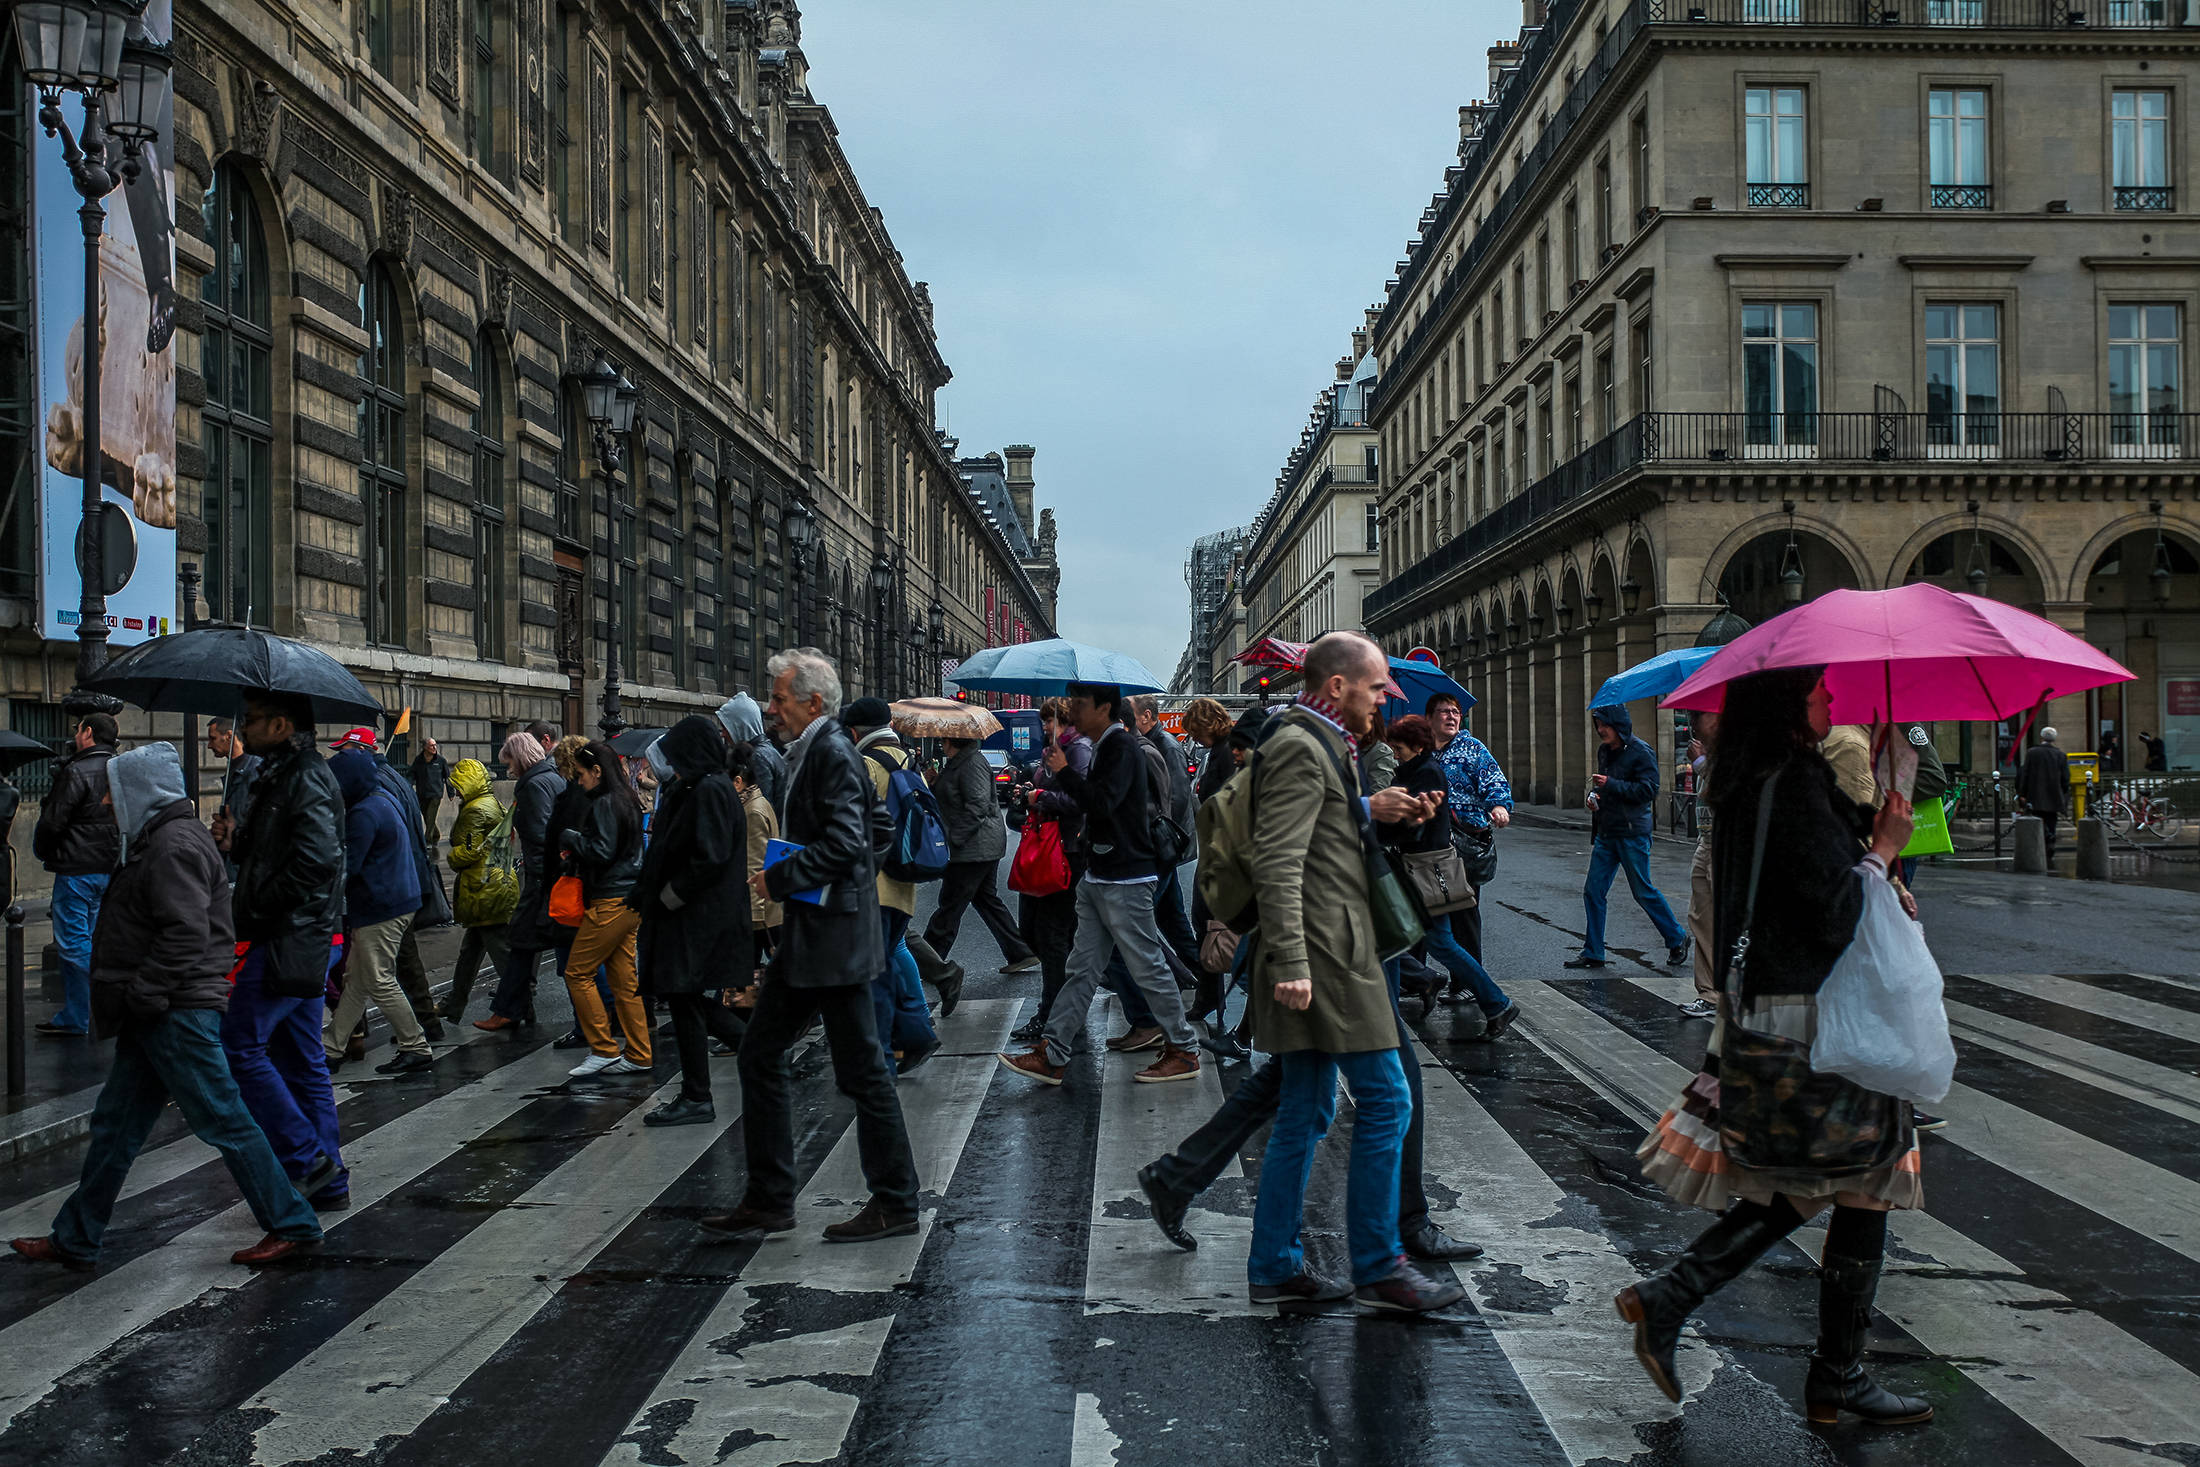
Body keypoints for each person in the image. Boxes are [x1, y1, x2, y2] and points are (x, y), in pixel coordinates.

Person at [1625, 664, 1931, 1427]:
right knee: (1858, 1167)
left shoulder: (1755, 780)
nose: (1832, 700)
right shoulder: (1791, 784)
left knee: (1856, 1173)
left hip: (1779, 1005)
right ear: (1791, 705)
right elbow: (1832, 909)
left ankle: (1832, 1371)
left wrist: (1880, 823)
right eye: (1820, 692)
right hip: (1817, 1010)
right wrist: (1886, 851)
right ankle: (1707, 1311)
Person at [10, 743, 324, 1272]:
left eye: (114, 789)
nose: (108, 801)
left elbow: (184, 933)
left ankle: (292, 1222)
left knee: (224, 1120)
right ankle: (77, 1234)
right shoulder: (163, 839)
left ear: (141, 791)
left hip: (174, 1008)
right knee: (116, 1125)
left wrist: (145, 993)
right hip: (158, 1008)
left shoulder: (172, 845)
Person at [1234, 633, 1464, 1314]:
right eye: (1375, 686)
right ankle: (1378, 1264)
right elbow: (1277, 857)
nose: (1384, 699)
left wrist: (1379, 810)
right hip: (1326, 955)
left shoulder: (1320, 742)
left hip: (1324, 947)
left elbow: (1317, 833)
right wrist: (1295, 964)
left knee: (1306, 1109)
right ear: (1337, 687)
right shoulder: (1304, 745)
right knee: (1388, 1099)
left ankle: (1275, 1262)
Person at [706, 649, 920, 1244]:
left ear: (813, 703)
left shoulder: (829, 754)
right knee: (796, 1060)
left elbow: (849, 844)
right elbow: (875, 831)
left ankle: (887, 1200)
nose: (770, 709)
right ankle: (775, 1197)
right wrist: (843, 889)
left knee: (857, 1073)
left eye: (778, 699)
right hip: (825, 940)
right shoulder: (821, 752)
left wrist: (780, 877)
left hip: (829, 947)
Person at [998, 682, 1201, 1087]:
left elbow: (1102, 802)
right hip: (1101, 871)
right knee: (1082, 968)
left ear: (1104, 708)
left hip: (1125, 873)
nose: (1072, 710)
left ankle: (1183, 1047)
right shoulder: (1109, 746)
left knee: (1146, 963)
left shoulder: (1121, 747)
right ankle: (1054, 1053)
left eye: (1080, 704)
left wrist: (1063, 774)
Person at [217, 692, 349, 1211]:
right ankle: (329, 1179)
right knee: (301, 1057)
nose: (241, 728)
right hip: (301, 937)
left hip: (289, 938)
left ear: (280, 724)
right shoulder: (281, 771)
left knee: (239, 1046)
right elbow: (280, 847)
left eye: (248, 720)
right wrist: (237, 839)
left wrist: (261, 905)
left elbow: (316, 861)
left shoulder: (305, 775)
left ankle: (305, 1160)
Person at [633, 716, 750, 1125]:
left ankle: (699, 1094)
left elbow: (709, 858)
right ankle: (747, 1055)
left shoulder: (710, 790)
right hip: (687, 918)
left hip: (697, 918)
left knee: (684, 996)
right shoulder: (694, 787)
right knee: (684, 998)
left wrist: (666, 897)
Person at [1377, 715, 1517, 1035]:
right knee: (1420, 940)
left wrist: (1375, 826)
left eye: (1398, 747)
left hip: (1427, 868)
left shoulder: (1427, 774)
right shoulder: (1413, 770)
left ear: (1417, 746)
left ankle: (1495, 1001)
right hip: (1419, 868)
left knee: (1439, 942)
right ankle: (1442, 986)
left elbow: (1413, 824)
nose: (1394, 752)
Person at [845, 699, 942, 1074]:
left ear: (854, 732)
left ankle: (887, 1051)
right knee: (885, 963)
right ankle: (915, 1035)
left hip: (876, 884)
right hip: (903, 883)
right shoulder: (906, 759)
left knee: (874, 971)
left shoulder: (866, 764)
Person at [324, 747, 431, 1074]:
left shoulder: (364, 813)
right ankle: (332, 1046)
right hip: (394, 901)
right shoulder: (381, 799)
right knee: (356, 979)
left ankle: (416, 1046)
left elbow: (349, 865)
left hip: (381, 906)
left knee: (379, 979)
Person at [1566, 705, 1689, 970]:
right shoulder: (1604, 751)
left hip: (1632, 833)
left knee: (1642, 891)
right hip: (1607, 832)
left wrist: (1610, 785)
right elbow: (1605, 788)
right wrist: (1595, 797)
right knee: (1593, 891)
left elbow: (1648, 790)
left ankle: (1677, 938)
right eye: (1597, 725)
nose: (1600, 730)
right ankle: (1594, 952)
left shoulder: (1641, 752)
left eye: (1604, 725)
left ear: (1618, 724)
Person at [558, 740, 650, 1078]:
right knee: (624, 979)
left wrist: (570, 838)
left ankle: (604, 1047)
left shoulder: (604, 804)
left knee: (577, 972)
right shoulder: (627, 800)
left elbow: (600, 851)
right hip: (629, 899)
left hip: (610, 899)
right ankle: (639, 1052)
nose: (578, 781)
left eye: (581, 774)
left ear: (597, 772)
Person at [31, 712, 119, 1037]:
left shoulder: (77, 770)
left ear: (88, 733)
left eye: (78, 728)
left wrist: (43, 850)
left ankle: (99, 1003)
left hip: (77, 868)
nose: (76, 733)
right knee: (89, 938)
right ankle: (79, 1013)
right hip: (108, 868)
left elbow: (53, 822)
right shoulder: (120, 767)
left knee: (73, 943)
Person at [1011, 698, 1089, 1045]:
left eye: (1048, 720)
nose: (1043, 727)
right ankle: (1065, 1004)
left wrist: (1040, 795)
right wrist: (1029, 791)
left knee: (1052, 936)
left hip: (1066, 852)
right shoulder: (1054, 751)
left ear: (1064, 719)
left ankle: (1053, 1013)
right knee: (1033, 931)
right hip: (1045, 848)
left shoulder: (1079, 751)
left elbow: (1080, 802)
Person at [925, 735, 1038, 975]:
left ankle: (928, 963)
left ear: (952, 740)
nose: (940, 742)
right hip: (977, 846)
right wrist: (934, 783)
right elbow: (952, 798)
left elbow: (977, 806)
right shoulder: (959, 763)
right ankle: (1020, 951)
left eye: (943, 739)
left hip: (974, 848)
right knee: (986, 900)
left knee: (950, 905)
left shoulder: (971, 763)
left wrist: (954, 839)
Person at [478, 731, 566, 1033]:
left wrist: (541, 875)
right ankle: (509, 1008)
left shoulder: (533, 786)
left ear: (522, 758)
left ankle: (509, 1009)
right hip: (550, 874)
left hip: (544, 878)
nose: (508, 769)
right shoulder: (551, 778)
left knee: (525, 940)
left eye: (510, 761)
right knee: (525, 943)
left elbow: (542, 835)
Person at [1426, 691, 1510, 969]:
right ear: (1429, 718)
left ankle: (1469, 980)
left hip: (1464, 843)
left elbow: (1493, 779)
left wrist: (1498, 806)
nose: (1451, 717)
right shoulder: (1423, 750)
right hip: (1429, 844)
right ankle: (1418, 978)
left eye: (1455, 712)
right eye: (1444, 711)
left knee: (1464, 912)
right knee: (1429, 910)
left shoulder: (1472, 748)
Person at [437, 757, 517, 1023]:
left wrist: (451, 858)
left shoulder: (474, 809)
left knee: (501, 956)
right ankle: (454, 1003)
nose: (455, 789)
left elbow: (468, 851)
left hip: (485, 888)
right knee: (470, 954)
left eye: (458, 784)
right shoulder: (490, 802)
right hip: (490, 885)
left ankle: (517, 1007)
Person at [1680, 717, 1720, 1020]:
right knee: (1701, 920)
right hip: (1705, 841)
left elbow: (1732, 791)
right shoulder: (1707, 749)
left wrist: (1703, 762)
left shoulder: (1734, 748)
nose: (1693, 724)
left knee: (1724, 921)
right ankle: (1708, 994)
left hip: (1726, 843)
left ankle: (1730, 992)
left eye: (1698, 717)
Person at [717, 691, 789, 815]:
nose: (723, 733)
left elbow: (761, 810)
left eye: (726, 727)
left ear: (740, 725)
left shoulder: (757, 757)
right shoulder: (767, 751)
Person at [207, 717, 260, 880]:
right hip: (232, 864)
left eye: (213, 738)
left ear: (229, 736)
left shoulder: (254, 771)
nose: (209, 745)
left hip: (243, 869)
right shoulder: (235, 769)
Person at [2017, 726, 2072, 855]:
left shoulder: (2032, 752)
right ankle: (2050, 840)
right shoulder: (2060, 755)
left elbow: (2025, 774)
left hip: (2035, 794)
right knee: (2051, 820)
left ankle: (2044, 840)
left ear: (2041, 737)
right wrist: (2063, 793)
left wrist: (2022, 793)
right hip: (2054, 795)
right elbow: (2066, 778)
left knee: (2037, 820)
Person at [1182, 696, 1234, 804]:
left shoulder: (1229, 751)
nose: (1194, 738)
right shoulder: (1220, 749)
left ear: (1207, 726)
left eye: (1195, 732)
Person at [407, 736, 453, 846]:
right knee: (428, 818)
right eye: (432, 745)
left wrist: (451, 792)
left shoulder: (441, 761)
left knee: (431, 816)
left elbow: (447, 777)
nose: (434, 747)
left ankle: (426, 841)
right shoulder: (419, 760)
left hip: (435, 793)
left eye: (435, 745)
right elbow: (412, 774)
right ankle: (436, 835)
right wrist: (408, 785)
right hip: (422, 793)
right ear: (425, 747)